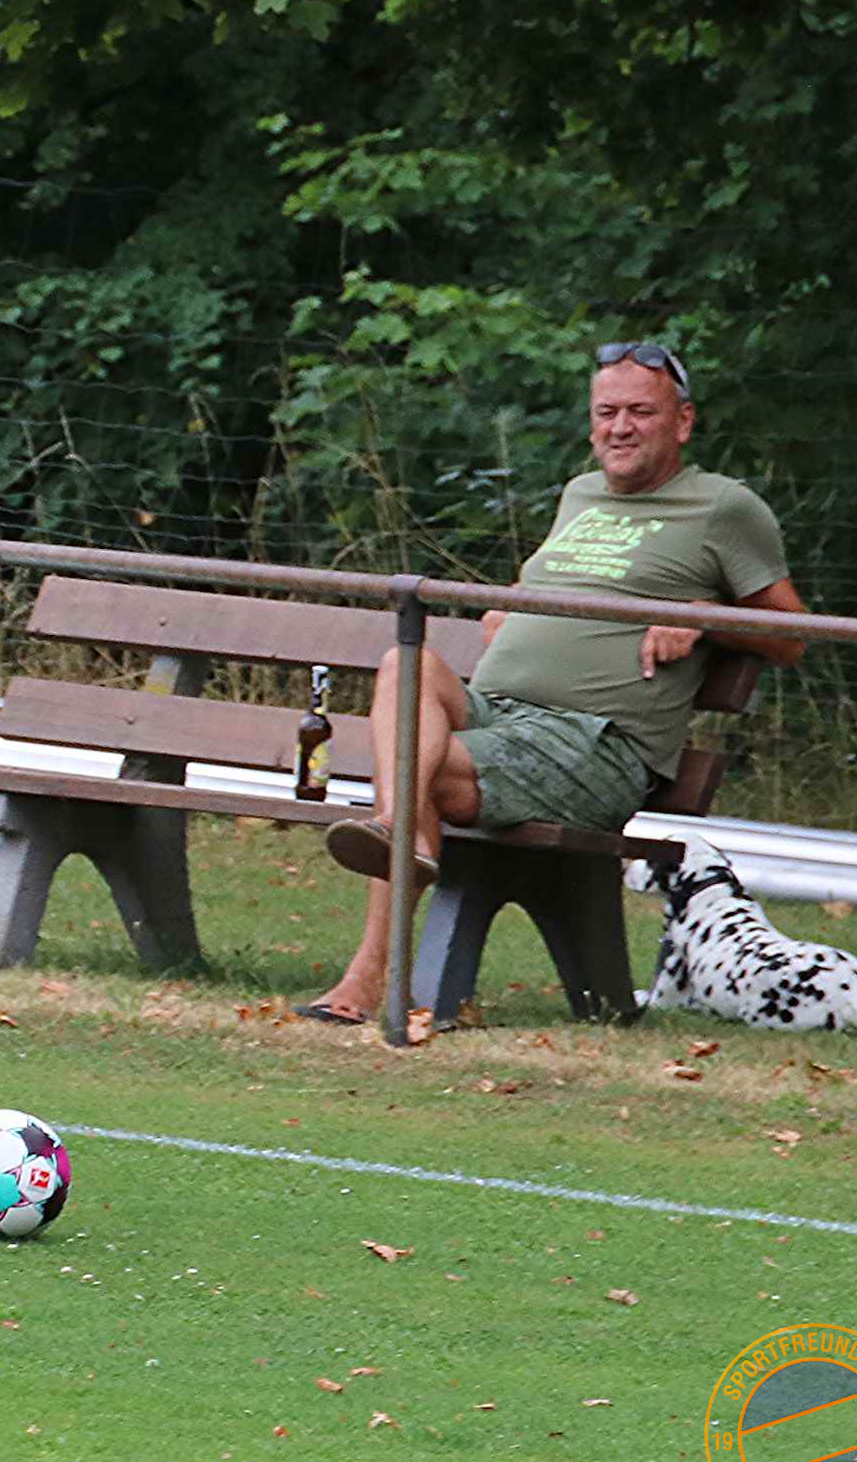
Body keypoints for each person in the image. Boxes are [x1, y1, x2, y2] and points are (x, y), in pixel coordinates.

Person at [298, 341, 810, 1024]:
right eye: (605, 412)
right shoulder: (579, 494)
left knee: (415, 765)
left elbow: (794, 635)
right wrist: (516, 604)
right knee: (404, 663)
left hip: (591, 743)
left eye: (639, 412)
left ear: (682, 422)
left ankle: (369, 971)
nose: (619, 427)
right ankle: (401, 836)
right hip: (500, 714)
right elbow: (569, 581)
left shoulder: (723, 507)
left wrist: (701, 617)